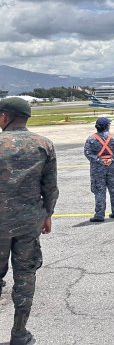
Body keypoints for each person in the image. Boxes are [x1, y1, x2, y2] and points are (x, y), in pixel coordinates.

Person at [0, 97, 59, 345]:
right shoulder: (44, 144)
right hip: (28, 224)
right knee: (25, 277)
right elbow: (51, 187)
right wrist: (48, 215)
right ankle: (19, 333)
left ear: (6, 116)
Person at [84, 117, 114, 222]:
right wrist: (112, 159)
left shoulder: (91, 139)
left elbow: (87, 153)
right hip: (113, 167)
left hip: (98, 168)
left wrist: (99, 160)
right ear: (107, 126)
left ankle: (99, 214)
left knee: (99, 191)